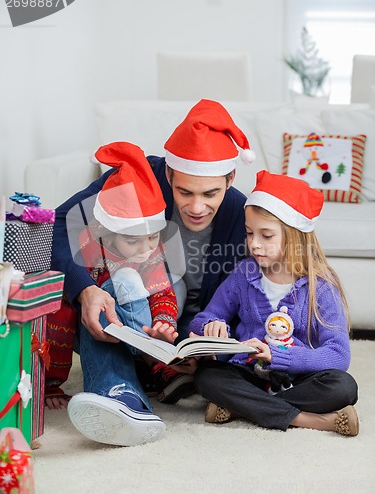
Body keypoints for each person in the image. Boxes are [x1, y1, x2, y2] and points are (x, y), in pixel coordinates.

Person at [50, 99, 256, 446]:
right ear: (169, 173)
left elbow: (246, 293)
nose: (196, 207)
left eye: (211, 193)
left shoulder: (240, 212)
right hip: (121, 318)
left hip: (177, 335)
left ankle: (167, 376)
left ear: (230, 178)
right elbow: (57, 225)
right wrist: (84, 289)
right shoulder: (136, 179)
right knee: (116, 284)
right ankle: (120, 396)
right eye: (184, 191)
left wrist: (201, 350)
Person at [190, 170, 359, 437]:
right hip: (249, 374)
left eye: (266, 236)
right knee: (206, 377)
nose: (254, 244)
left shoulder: (321, 285)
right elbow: (204, 318)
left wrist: (279, 356)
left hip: (300, 380)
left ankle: (239, 408)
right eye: (249, 233)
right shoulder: (244, 274)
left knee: (344, 387)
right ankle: (312, 420)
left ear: (294, 237)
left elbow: (338, 355)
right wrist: (212, 326)